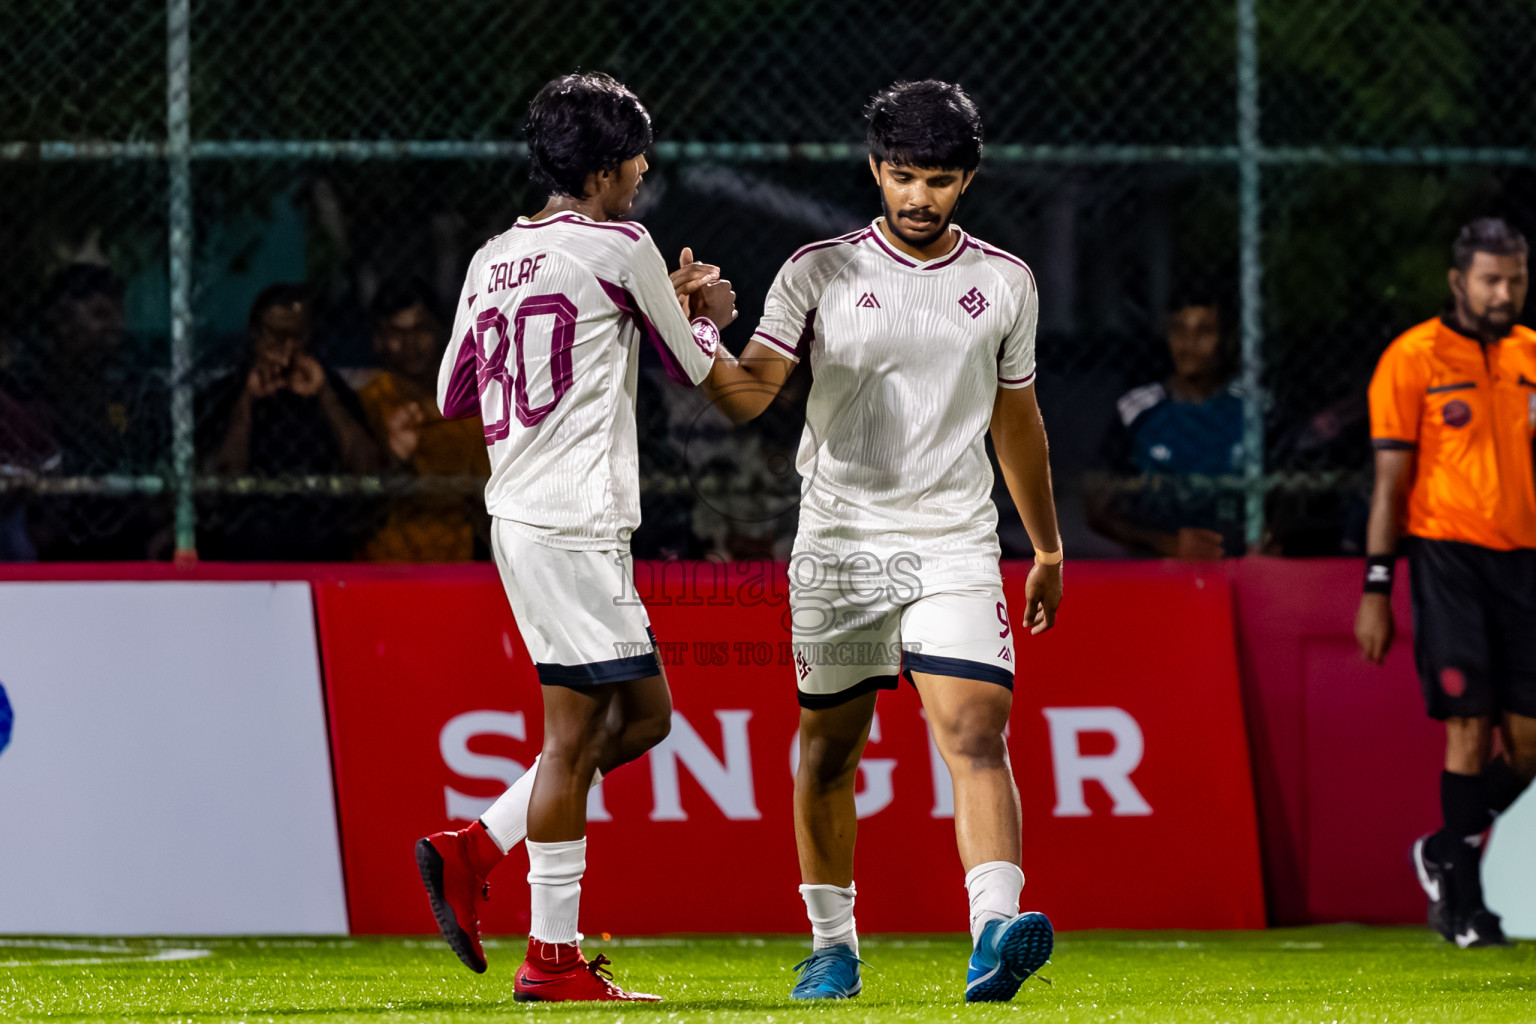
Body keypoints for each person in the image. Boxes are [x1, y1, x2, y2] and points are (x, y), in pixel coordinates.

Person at [668, 80, 1063, 1002]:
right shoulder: (817, 270)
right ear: (875, 170)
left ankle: (995, 930)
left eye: (937, 179)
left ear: (967, 179)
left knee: (976, 731)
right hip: (842, 541)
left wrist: (1043, 548)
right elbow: (746, 396)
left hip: (955, 539)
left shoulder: (1005, 283)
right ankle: (833, 944)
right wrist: (698, 327)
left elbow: (1019, 421)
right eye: (901, 175)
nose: (918, 197)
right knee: (830, 751)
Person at [412, 71, 766, 1003]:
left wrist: (647, 310)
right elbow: (699, 370)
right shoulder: (622, 243)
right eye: (637, 161)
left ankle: (476, 845)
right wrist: (705, 310)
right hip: (572, 520)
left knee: (644, 717)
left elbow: (452, 394)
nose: (644, 174)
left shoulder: (492, 256)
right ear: (608, 168)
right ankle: (551, 958)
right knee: (576, 740)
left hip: (525, 515)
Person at [1356, 217, 1536, 949]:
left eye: (1517, 279)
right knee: (1468, 725)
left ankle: (1441, 850)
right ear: (1459, 282)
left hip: (1525, 561)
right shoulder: (1413, 358)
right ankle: (1465, 903)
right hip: (1447, 560)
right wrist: (1376, 587)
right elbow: (1389, 484)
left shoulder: (1532, 354)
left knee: (1528, 745)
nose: (1505, 293)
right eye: (1492, 280)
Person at [199, 284, 382, 559]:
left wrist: (326, 397)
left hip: (323, 544)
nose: (285, 350)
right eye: (273, 337)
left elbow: (370, 472)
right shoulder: (226, 393)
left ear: (309, 337)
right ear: (254, 337)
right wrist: (246, 403)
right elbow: (219, 482)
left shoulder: (333, 390)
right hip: (241, 545)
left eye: (295, 337)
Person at [1087, 296, 1245, 560]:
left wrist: (1263, 541)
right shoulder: (1137, 412)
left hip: (1240, 564)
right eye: (1178, 330)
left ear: (1227, 339)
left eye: (1203, 331)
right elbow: (1097, 509)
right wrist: (1168, 545)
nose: (1188, 344)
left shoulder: (1253, 411)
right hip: (1157, 572)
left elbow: (1289, 495)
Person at [357, 278, 489, 561]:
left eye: (420, 329)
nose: (410, 343)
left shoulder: (472, 399)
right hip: (387, 559)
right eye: (396, 332)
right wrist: (394, 457)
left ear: (441, 332)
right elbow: (360, 491)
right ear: (378, 340)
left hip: (465, 557)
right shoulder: (369, 401)